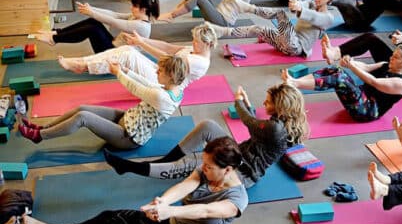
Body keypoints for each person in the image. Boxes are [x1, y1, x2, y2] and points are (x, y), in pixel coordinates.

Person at [16, 137, 248, 224]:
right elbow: (186, 185)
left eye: (209, 166)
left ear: (228, 170)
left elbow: (206, 211)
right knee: (110, 216)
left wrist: (169, 211)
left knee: (117, 223)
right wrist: (162, 202)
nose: (203, 168)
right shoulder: (208, 171)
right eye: (204, 164)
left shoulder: (237, 200)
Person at [104, 83, 310, 187]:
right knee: (208, 126)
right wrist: (247, 105)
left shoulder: (276, 129)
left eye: (268, 102)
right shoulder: (282, 124)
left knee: (197, 165)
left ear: (281, 107)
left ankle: (129, 167)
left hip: (242, 172)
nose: (264, 103)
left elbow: (249, 122)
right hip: (239, 153)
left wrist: (238, 101)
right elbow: (258, 130)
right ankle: (165, 161)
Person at [18, 55, 187, 149]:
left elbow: (136, 88)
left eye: (160, 71)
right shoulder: (175, 90)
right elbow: (149, 84)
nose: (156, 72)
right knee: (82, 108)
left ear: (171, 75)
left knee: (83, 117)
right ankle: (43, 128)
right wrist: (125, 70)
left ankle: (39, 136)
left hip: (128, 137)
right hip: (129, 118)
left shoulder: (162, 98)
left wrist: (118, 73)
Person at [284, 44, 402, 122]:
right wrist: (350, 61)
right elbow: (366, 67)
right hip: (361, 97)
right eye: (392, 55)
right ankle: (296, 81)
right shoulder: (386, 65)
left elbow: (373, 81)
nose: (391, 58)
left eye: (396, 57)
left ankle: (294, 84)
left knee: (340, 79)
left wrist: (351, 66)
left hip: (367, 111)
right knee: (335, 69)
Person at [56, 24, 217, 90]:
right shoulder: (193, 50)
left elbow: (168, 59)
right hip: (160, 73)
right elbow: (168, 47)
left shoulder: (201, 63)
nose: (193, 43)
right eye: (194, 40)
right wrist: (141, 40)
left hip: (165, 86)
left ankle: (83, 66)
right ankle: (82, 62)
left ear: (208, 44)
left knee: (128, 55)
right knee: (127, 49)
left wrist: (141, 44)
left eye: (197, 42)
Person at [208, 0, 335, 57]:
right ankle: (222, 31)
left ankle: (247, 7)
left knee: (280, 13)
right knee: (258, 28)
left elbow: (314, 17)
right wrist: (296, 4)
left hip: (296, 47)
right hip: (284, 42)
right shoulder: (311, 4)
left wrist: (300, 9)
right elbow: (303, 4)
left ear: (329, 0)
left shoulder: (328, 18)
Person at [31, 0, 160, 53]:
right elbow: (114, 14)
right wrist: (92, 9)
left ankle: (54, 39)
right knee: (93, 22)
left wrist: (91, 12)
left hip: (115, 54)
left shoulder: (141, 26)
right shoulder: (136, 16)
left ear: (143, 10)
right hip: (113, 44)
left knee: (93, 29)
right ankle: (56, 33)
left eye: (134, 6)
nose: (131, 8)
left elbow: (113, 21)